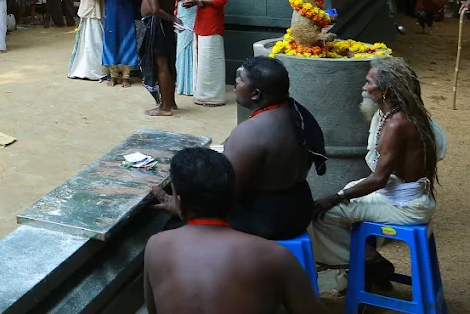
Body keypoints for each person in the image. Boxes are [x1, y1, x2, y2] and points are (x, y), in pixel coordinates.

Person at [143, 148, 322, 314]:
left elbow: (153, 310)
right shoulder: (275, 256)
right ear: (232, 196)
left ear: (180, 202)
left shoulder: (156, 246)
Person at [311, 56, 439, 283]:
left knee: (323, 214)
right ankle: (366, 262)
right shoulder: (409, 113)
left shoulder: (397, 123)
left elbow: (378, 179)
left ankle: (370, 263)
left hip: (408, 206)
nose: (364, 86)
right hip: (415, 197)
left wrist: (336, 197)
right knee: (351, 191)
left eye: (369, 82)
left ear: (385, 91)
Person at [222, 56, 326, 239]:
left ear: (255, 94)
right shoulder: (299, 114)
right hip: (300, 209)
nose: (236, 82)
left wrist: (180, 205)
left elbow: (226, 191)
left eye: (241, 79)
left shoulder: (251, 132)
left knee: (179, 224)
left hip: (266, 220)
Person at [139, 0, 181, 117]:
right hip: (163, 24)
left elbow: (156, 9)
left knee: (161, 64)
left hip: (157, 24)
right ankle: (170, 101)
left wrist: (172, 18)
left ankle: (164, 107)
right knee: (167, 63)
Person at [193, 0, 229, 106]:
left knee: (212, 60)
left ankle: (215, 97)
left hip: (213, 24)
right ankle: (203, 95)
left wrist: (199, 1)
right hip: (201, 22)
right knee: (203, 60)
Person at [173, 0, 204, 96]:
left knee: (194, 48)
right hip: (183, 13)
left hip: (197, 14)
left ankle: (193, 85)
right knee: (181, 48)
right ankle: (182, 84)